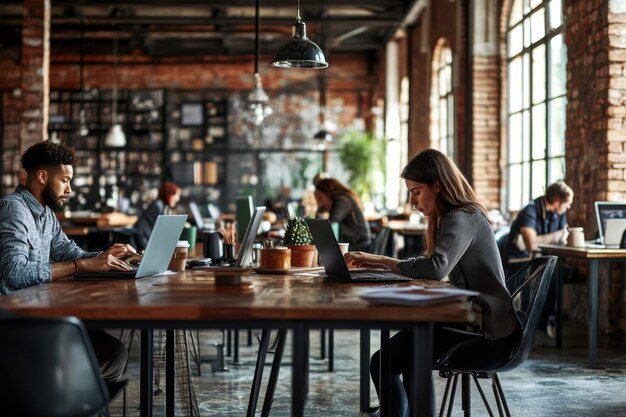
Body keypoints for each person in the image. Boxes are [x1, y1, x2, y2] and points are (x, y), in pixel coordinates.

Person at [344, 149, 520, 417]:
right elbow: (440, 267)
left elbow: (437, 268)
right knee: (406, 353)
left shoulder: (460, 217)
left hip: (489, 336)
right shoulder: (463, 215)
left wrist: (382, 260)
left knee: (383, 362)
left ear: (437, 185)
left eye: (416, 191)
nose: (413, 201)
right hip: (482, 323)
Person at [0, 141, 133, 383]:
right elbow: (15, 274)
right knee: (111, 354)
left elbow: (69, 252)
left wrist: (108, 257)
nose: (69, 189)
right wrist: (79, 266)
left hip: (40, 317)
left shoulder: (45, 214)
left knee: (114, 352)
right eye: (65, 180)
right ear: (42, 176)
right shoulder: (13, 208)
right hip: (17, 326)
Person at [505, 180, 573, 339]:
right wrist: (556, 236)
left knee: (561, 271)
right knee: (553, 273)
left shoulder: (560, 213)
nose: (569, 207)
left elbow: (563, 237)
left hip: (540, 260)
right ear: (557, 202)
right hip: (518, 262)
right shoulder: (530, 210)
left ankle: (543, 322)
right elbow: (532, 245)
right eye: (567, 203)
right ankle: (537, 324)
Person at [314, 177, 372, 251]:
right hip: (357, 243)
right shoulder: (344, 198)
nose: (320, 203)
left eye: (320, 198)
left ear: (328, 192)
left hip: (360, 245)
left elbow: (331, 223)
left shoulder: (342, 200)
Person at [134, 181, 181, 250]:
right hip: (143, 239)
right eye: (176, 195)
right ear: (169, 194)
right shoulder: (158, 205)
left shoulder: (161, 205)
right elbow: (162, 230)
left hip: (145, 238)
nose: (177, 199)